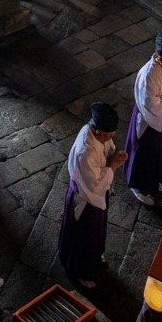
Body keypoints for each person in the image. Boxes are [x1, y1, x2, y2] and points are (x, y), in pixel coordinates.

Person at [57, 102, 127, 288]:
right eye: (109, 135)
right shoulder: (86, 151)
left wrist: (113, 156)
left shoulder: (96, 134)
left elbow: (108, 148)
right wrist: (113, 165)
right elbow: (95, 184)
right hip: (85, 197)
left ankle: (95, 256)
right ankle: (80, 271)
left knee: (95, 231)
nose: (111, 138)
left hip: (95, 195)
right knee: (84, 236)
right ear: (97, 132)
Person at [122, 33, 162, 205]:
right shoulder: (148, 75)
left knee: (159, 151)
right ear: (161, 59)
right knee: (144, 154)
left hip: (161, 118)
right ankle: (138, 187)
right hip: (148, 120)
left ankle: (155, 180)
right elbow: (151, 104)